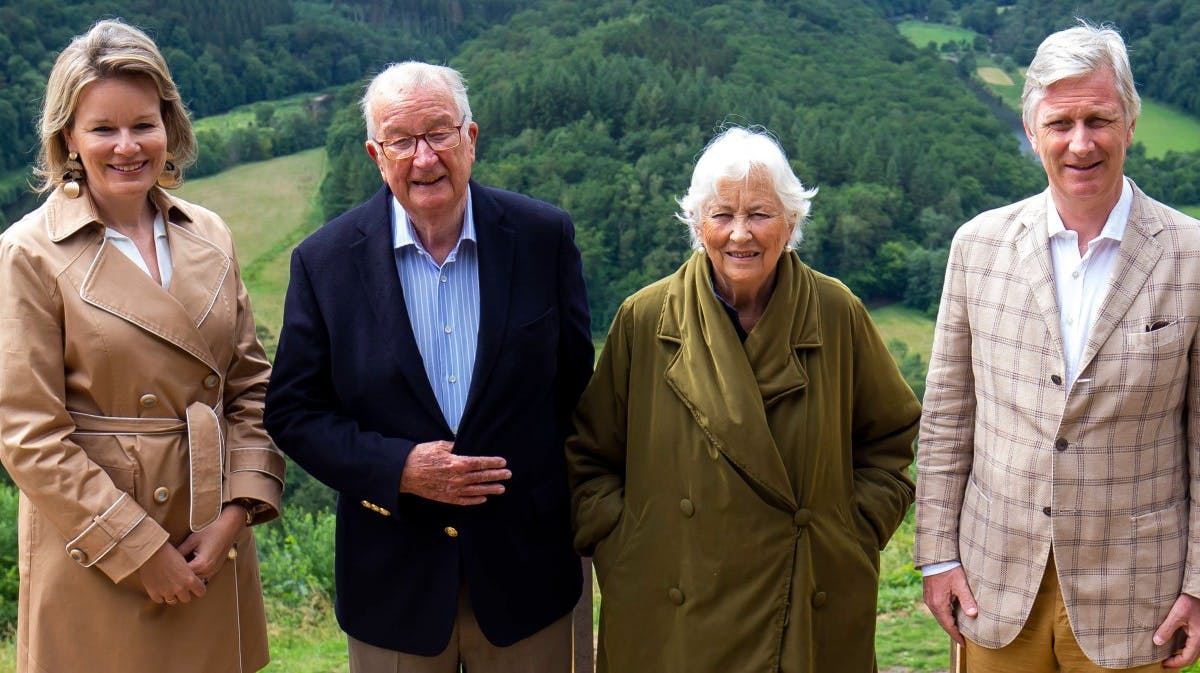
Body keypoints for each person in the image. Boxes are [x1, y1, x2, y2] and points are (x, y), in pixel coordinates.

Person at [263, 61, 593, 672]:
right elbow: (292, 412)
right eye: (401, 141)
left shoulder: (543, 237)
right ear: (375, 154)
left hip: (529, 574)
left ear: (471, 137)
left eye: (439, 133)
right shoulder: (325, 262)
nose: (424, 158)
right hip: (394, 583)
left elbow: (577, 394)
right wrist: (399, 468)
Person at [566, 125, 920, 672]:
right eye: (722, 215)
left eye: (759, 213)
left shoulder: (835, 312)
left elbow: (891, 439)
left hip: (806, 599)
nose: (740, 235)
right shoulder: (644, 318)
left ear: (791, 221)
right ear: (696, 222)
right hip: (668, 607)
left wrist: (849, 533)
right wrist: (628, 548)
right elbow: (590, 456)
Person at [0, 19, 285, 673]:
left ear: (170, 124)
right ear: (67, 136)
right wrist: (139, 549)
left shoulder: (209, 232)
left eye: (144, 123)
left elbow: (252, 388)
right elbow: (29, 435)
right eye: (103, 128)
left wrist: (234, 515)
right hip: (97, 557)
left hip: (211, 541)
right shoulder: (28, 252)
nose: (127, 146)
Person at [914, 22, 1200, 672]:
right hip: (994, 582)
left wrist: (1199, 583)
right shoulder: (977, 247)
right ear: (1032, 129)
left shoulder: (1192, 256)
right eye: (1060, 122)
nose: (1080, 142)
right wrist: (936, 554)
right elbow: (948, 416)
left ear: (1129, 122)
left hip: (1136, 597)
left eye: (1098, 118)